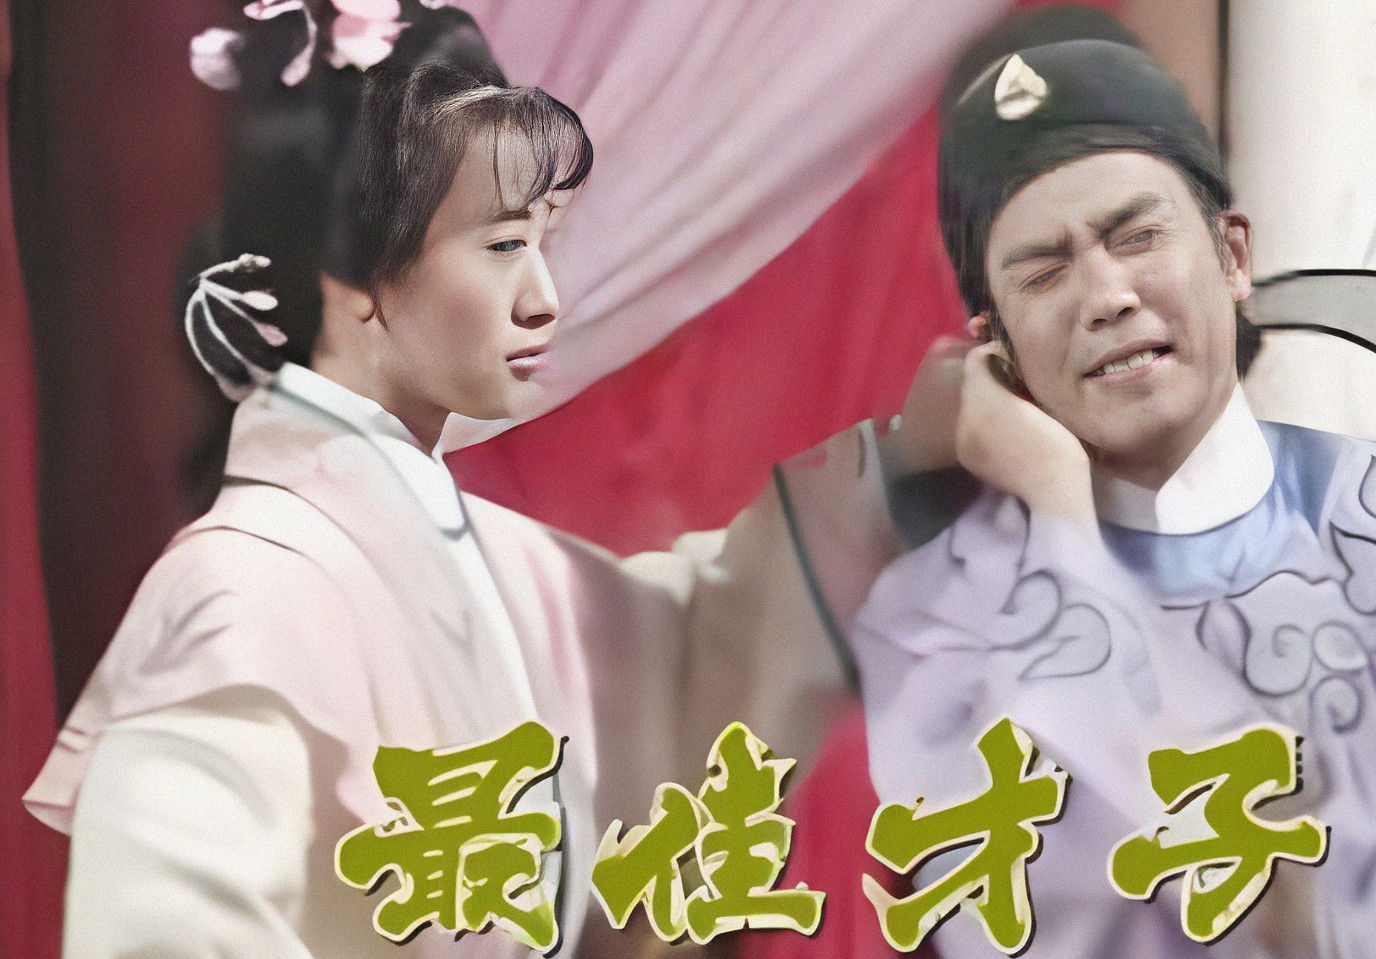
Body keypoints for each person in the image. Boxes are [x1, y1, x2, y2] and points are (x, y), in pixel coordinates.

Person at [25, 5, 874, 956]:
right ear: (354, 277)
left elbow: (681, 644)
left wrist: (888, 488)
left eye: (543, 243)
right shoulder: (239, 600)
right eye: (505, 245)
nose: (544, 298)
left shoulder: (464, 546)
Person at [848, 37, 1376, 958]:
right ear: (994, 345)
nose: (1106, 295)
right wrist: (1060, 516)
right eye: (1043, 273)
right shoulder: (933, 619)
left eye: (1138, 237)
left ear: (1232, 255)